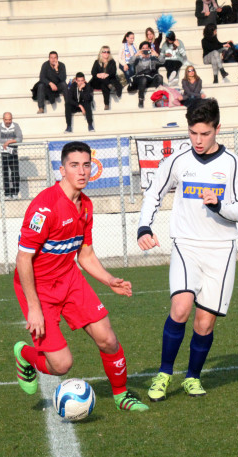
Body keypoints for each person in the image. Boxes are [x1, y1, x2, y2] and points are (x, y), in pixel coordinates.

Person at [12, 141, 148, 413]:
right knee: (61, 365)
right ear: (62, 170)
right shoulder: (44, 208)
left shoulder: (85, 205)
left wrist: (110, 280)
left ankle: (121, 395)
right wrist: (34, 308)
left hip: (70, 280)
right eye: (74, 165)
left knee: (108, 338)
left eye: (86, 165)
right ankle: (25, 355)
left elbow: (85, 255)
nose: (82, 171)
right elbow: (23, 259)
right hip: (39, 290)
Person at [136, 98, 238, 401]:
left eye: (205, 133)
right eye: (193, 133)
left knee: (205, 321)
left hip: (221, 250)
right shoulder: (179, 160)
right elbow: (153, 194)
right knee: (181, 308)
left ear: (217, 129)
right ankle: (163, 374)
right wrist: (144, 227)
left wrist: (220, 206)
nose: (198, 140)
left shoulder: (233, 164)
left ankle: (192, 377)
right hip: (185, 245)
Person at [0, 112, 23, 199]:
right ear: (3, 119)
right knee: (5, 174)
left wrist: (8, 142)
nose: (8, 121)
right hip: (3, 154)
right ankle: (7, 193)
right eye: (6, 119)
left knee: (15, 174)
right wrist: (12, 140)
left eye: (10, 119)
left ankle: (15, 192)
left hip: (13, 153)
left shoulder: (16, 126)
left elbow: (20, 138)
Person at [130, 41, 164, 109]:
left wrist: (157, 55)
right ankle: (141, 100)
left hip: (151, 78)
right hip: (141, 79)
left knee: (159, 77)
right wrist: (136, 55)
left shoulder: (152, 58)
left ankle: (159, 99)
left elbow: (163, 61)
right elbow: (130, 62)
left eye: (147, 48)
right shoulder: (137, 58)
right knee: (143, 79)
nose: (145, 50)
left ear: (150, 49)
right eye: (143, 48)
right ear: (140, 49)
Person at [89, 46, 122, 111]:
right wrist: (99, 74)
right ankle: (109, 85)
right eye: (104, 52)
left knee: (104, 85)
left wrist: (107, 74)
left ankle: (106, 104)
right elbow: (93, 72)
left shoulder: (112, 62)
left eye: (108, 52)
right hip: (97, 81)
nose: (106, 53)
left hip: (107, 80)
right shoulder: (97, 62)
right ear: (101, 53)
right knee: (102, 80)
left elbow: (113, 72)